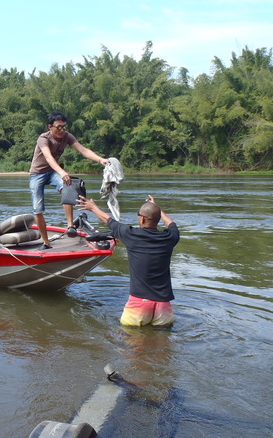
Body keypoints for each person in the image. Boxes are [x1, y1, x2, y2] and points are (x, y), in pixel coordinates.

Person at [77, 194, 180, 326]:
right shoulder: (170, 237)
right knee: (163, 341)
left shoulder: (130, 234)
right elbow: (171, 223)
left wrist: (93, 207)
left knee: (130, 342)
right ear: (158, 219)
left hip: (138, 305)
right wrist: (156, 208)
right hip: (163, 305)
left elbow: (108, 220)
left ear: (142, 219)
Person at [29, 112, 108, 248]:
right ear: (50, 127)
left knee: (68, 187)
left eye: (64, 127)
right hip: (37, 174)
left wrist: (101, 160)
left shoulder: (67, 137)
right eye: (59, 127)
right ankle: (46, 242)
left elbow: (83, 150)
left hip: (52, 172)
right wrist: (61, 171)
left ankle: (70, 226)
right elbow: (48, 158)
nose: (62, 130)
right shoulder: (43, 139)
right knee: (38, 208)